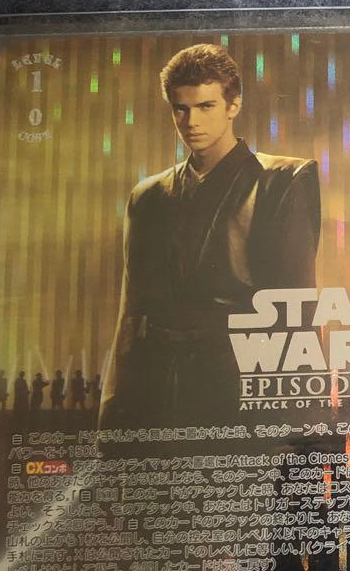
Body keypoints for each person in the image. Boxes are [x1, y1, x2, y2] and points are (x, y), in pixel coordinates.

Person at [100, 44, 320, 429]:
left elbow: (297, 312)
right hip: (159, 396)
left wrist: (300, 424)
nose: (191, 122)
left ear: (233, 105)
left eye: (205, 106)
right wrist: (112, 415)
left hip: (239, 392)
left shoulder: (283, 181)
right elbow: (131, 315)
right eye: (181, 109)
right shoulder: (147, 196)